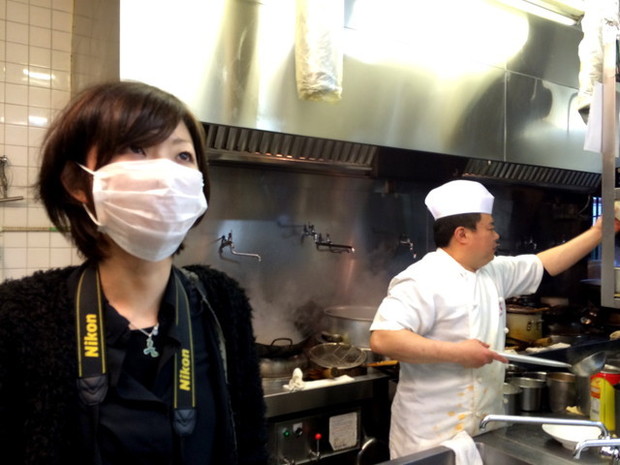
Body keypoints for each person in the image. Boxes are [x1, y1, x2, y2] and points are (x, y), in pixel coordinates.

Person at [0, 81, 268, 465]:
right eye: (137, 148)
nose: (165, 175)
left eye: (182, 155)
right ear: (77, 182)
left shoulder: (223, 302)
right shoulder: (19, 317)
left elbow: (252, 443)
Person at [369, 179, 618, 458]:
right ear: (462, 234)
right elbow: (384, 338)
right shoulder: (421, 279)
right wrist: (457, 353)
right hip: (429, 439)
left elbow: (546, 264)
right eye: (490, 227)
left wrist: (600, 231)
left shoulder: (493, 271)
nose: (497, 235)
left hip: (485, 431)